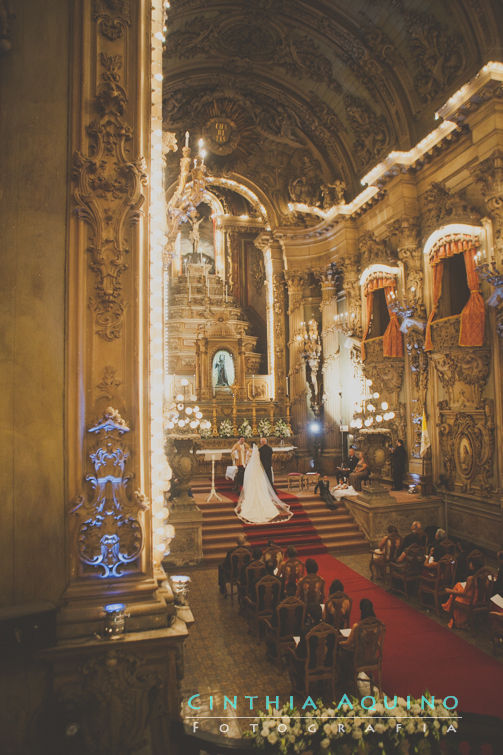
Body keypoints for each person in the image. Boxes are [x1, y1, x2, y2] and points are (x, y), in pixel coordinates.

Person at [234, 444, 293, 524]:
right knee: (260, 484)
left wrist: (247, 462)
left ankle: (251, 495)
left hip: (251, 469)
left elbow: (247, 460)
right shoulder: (258, 452)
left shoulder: (249, 452)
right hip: (258, 470)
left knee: (251, 483)